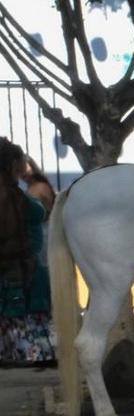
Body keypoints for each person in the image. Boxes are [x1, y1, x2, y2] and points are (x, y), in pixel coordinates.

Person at [0, 139, 55, 366]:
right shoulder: (15, 196)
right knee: (31, 313)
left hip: (10, 271)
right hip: (24, 270)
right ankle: (36, 354)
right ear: (13, 164)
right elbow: (39, 213)